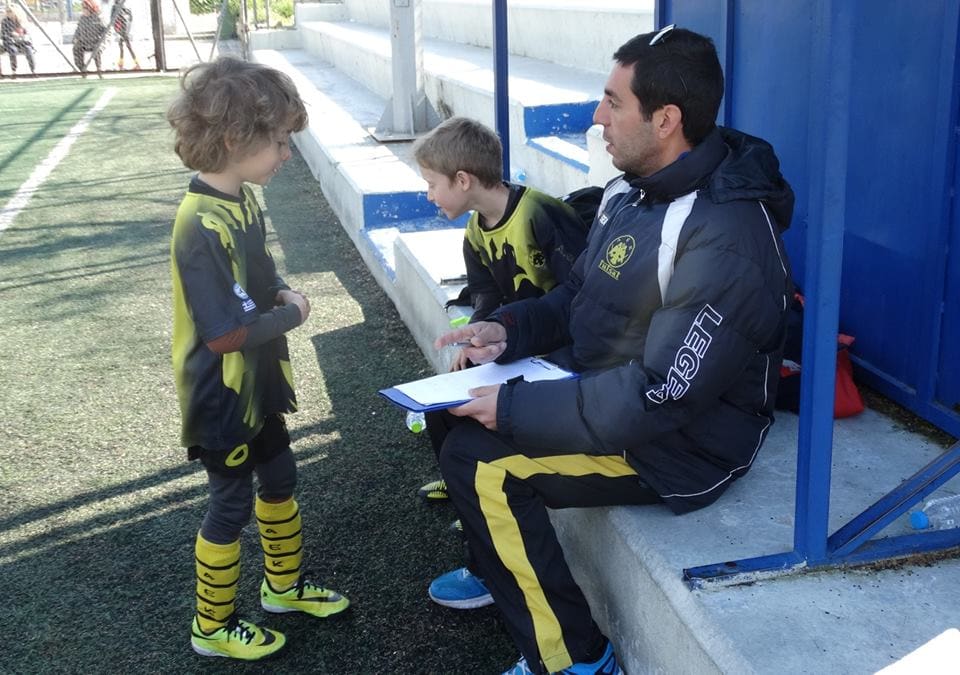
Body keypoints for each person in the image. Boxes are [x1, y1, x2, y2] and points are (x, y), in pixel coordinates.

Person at [427, 26, 794, 674]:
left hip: (679, 441)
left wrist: (512, 410)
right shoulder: (629, 189)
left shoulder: (726, 232)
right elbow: (577, 295)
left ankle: (577, 660)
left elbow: (661, 392)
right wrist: (507, 331)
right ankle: (495, 564)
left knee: (483, 464)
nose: (597, 116)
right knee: (446, 409)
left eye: (613, 102)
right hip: (602, 381)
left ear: (666, 120)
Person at [167, 56, 349, 661]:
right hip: (221, 393)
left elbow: (262, 275)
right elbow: (223, 336)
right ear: (234, 139)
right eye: (279, 142)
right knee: (231, 504)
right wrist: (294, 314)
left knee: (281, 479)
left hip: (258, 381)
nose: (287, 155)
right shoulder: (198, 224)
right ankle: (212, 627)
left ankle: (283, 588)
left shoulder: (242, 200)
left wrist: (281, 291)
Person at [411, 116, 588, 504]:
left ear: (462, 180)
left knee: (487, 405)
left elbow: (581, 292)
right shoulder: (475, 231)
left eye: (432, 184)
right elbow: (484, 294)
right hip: (515, 338)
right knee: (446, 398)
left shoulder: (540, 212)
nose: (429, 195)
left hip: (561, 345)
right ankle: (459, 481)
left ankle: (484, 481)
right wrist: (475, 337)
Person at [73, 0, 105, 78]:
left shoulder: (98, 18)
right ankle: (83, 70)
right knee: (76, 48)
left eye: (85, 8)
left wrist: (102, 41)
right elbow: (77, 31)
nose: (83, 10)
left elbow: (106, 31)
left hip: (96, 42)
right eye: (83, 8)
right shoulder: (82, 18)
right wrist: (75, 38)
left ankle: (99, 69)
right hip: (84, 42)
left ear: (90, 8)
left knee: (97, 50)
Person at [1, 5, 35, 78]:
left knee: (28, 49)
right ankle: (14, 71)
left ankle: (33, 70)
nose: (8, 13)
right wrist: (11, 34)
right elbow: (3, 34)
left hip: (22, 42)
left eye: (10, 11)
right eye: (7, 11)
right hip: (10, 41)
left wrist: (22, 36)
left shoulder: (22, 21)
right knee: (13, 50)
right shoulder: (5, 21)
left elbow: (27, 33)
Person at [109, 0, 139, 70]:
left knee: (126, 47)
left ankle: (136, 63)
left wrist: (119, 29)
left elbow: (113, 19)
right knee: (123, 47)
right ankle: (122, 64)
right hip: (123, 29)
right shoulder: (123, 7)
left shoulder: (118, 7)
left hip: (122, 30)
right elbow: (130, 18)